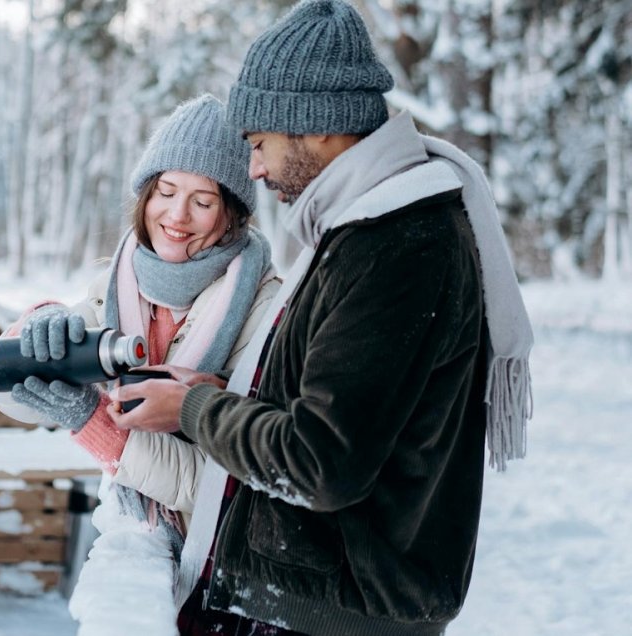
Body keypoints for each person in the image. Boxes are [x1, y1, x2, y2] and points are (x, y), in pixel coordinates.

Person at [107, 1, 534, 634]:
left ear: (316, 127)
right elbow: (336, 412)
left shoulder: (396, 247)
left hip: (329, 614)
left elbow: (320, 463)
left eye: (259, 145)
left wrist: (194, 412)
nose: (253, 168)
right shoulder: (361, 229)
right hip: (314, 599)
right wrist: (217, 395)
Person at [0, 94, 281, 557]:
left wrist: (96, 424)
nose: (176, 216)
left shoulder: (263, 314)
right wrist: (36, 329)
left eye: (202, 201)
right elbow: (10, 398)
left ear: (231, 216)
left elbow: (218, 483)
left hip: (218, 562)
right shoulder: (117, 285)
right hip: (136, 542)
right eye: (165, 192)